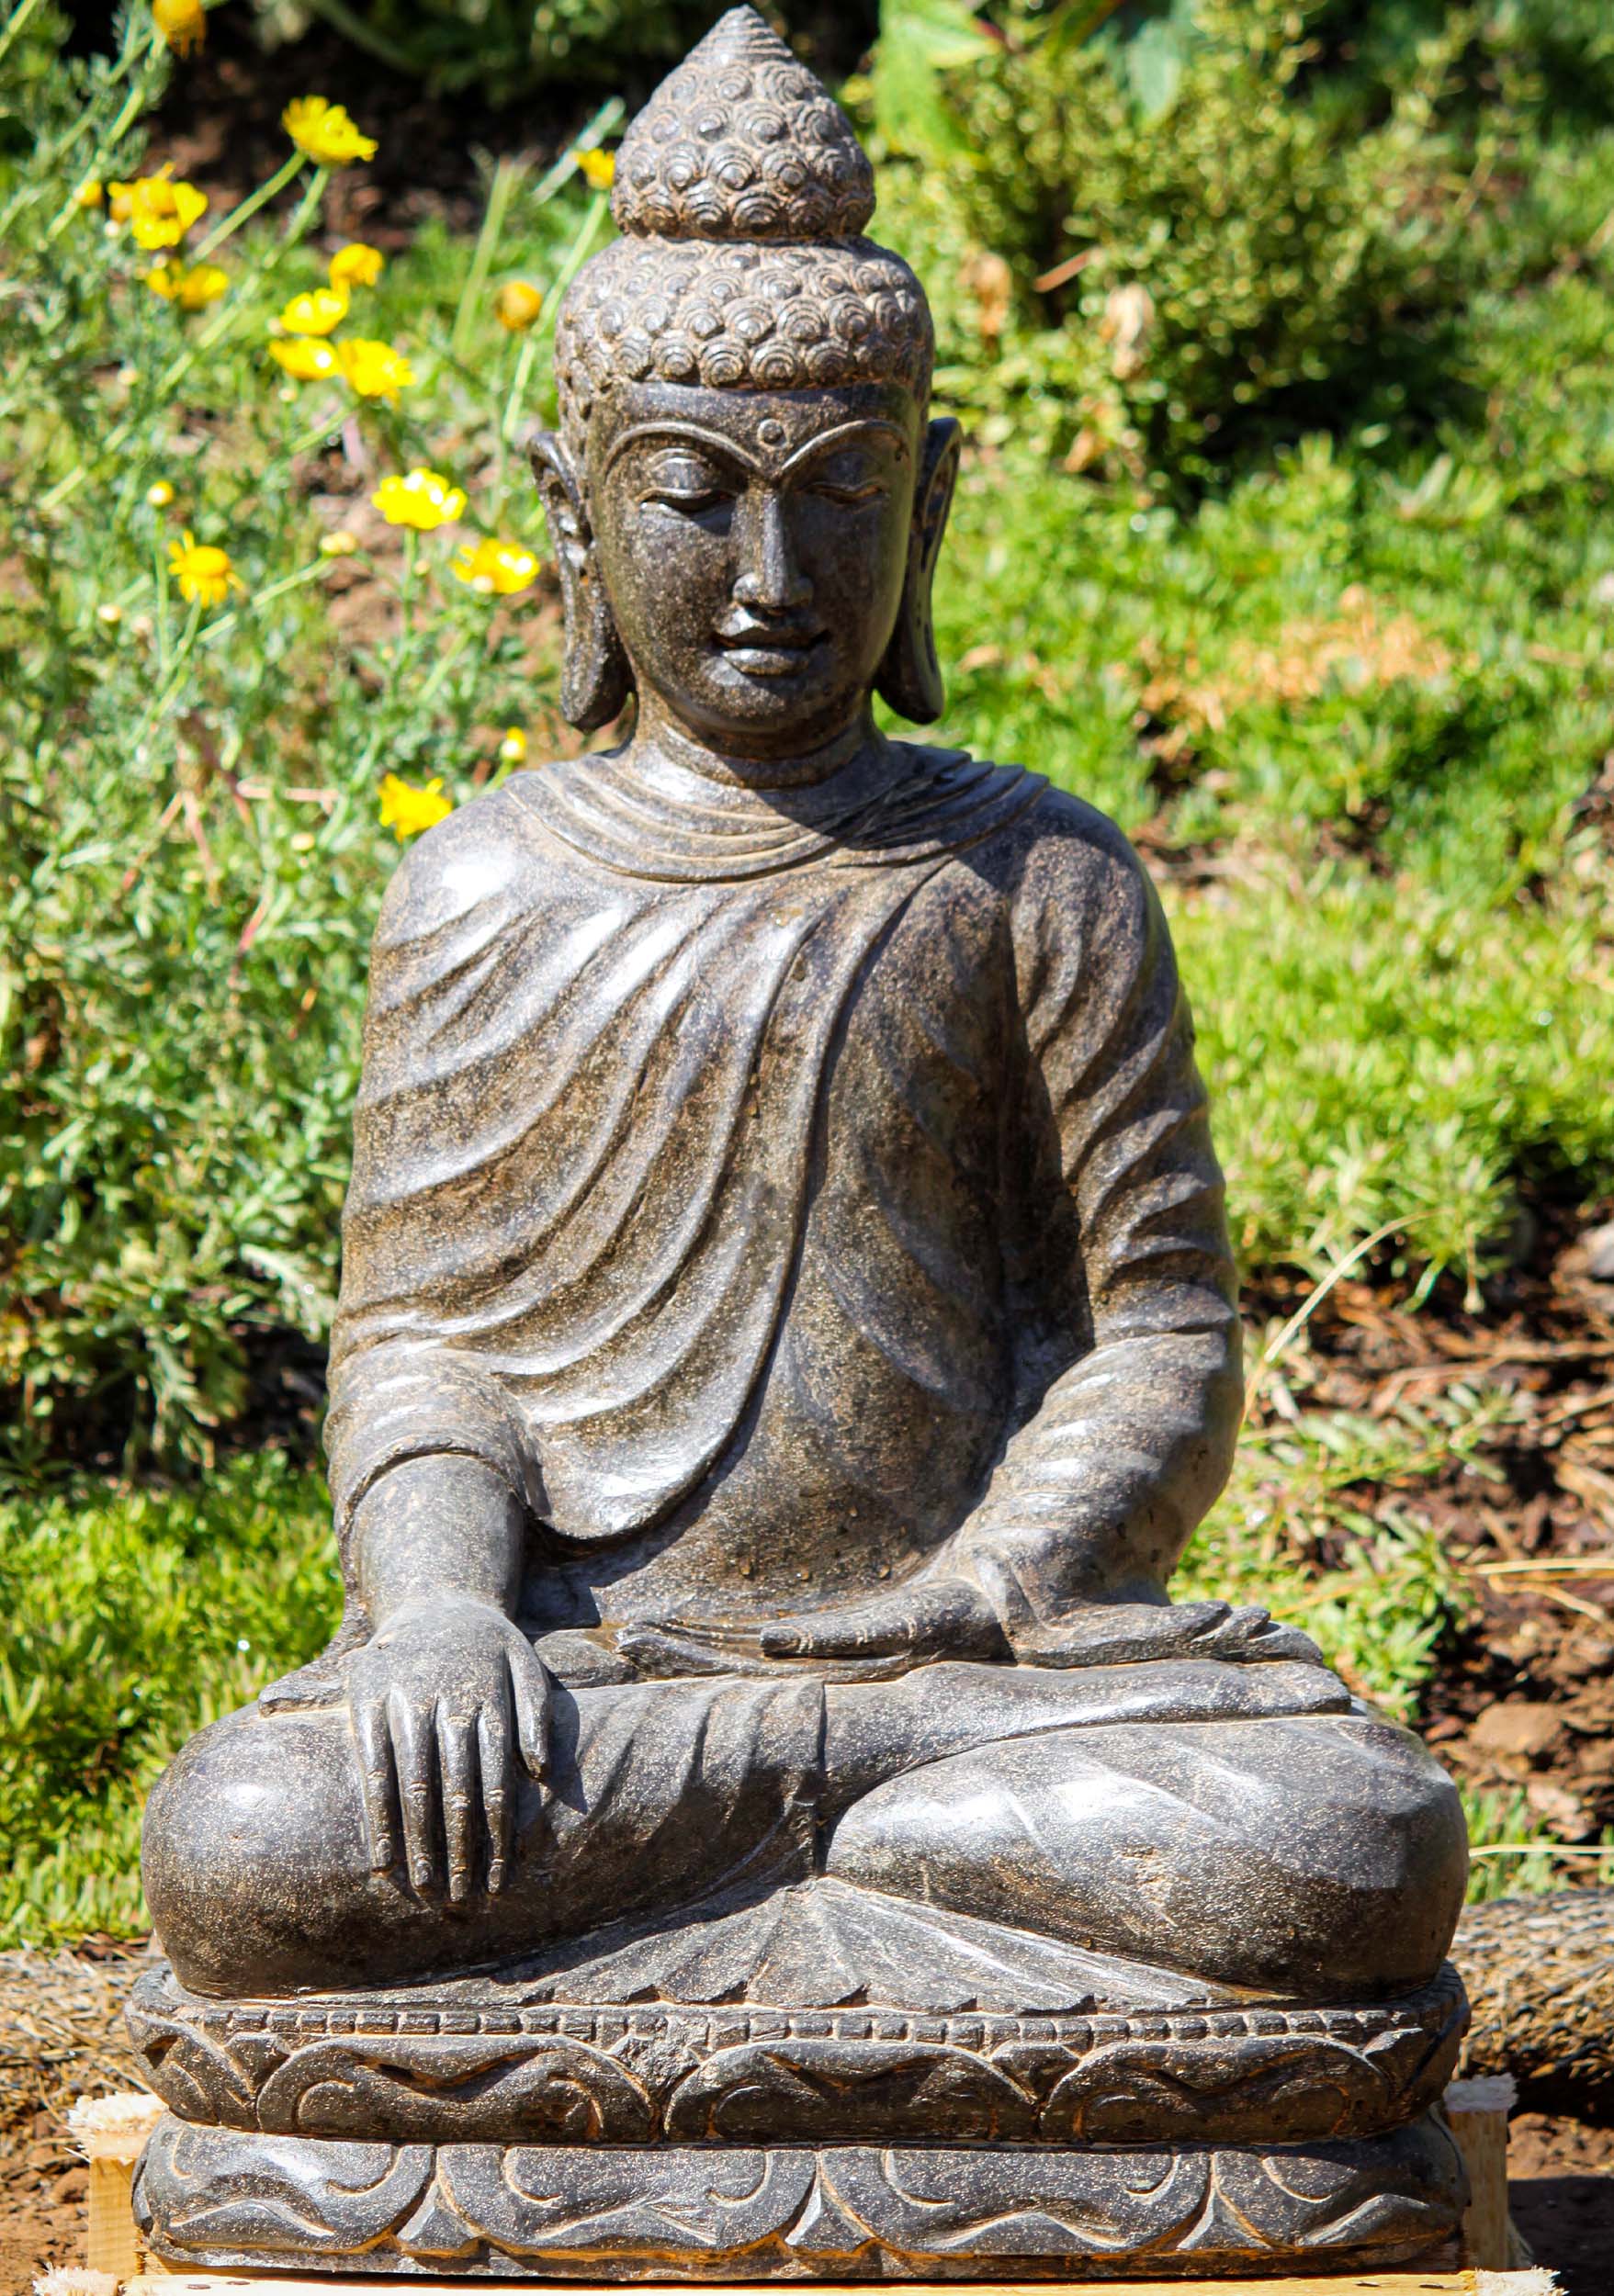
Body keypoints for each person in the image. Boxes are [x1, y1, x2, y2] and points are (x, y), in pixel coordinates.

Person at [142, 6, 1464, 2009]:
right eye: (695, 494)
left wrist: (990, 1583)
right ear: (573, 511)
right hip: (607, 1701)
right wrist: (431, 1622)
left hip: (969, 1685)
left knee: (1353, 1838)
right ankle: (879, 1895)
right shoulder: (487, 881)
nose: (775, 571)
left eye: (839, 492)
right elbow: (424, 1341)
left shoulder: (1038, 874)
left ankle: (815, 1864)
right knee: (247, 1844)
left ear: (925, 501)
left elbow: (1160, 1325)